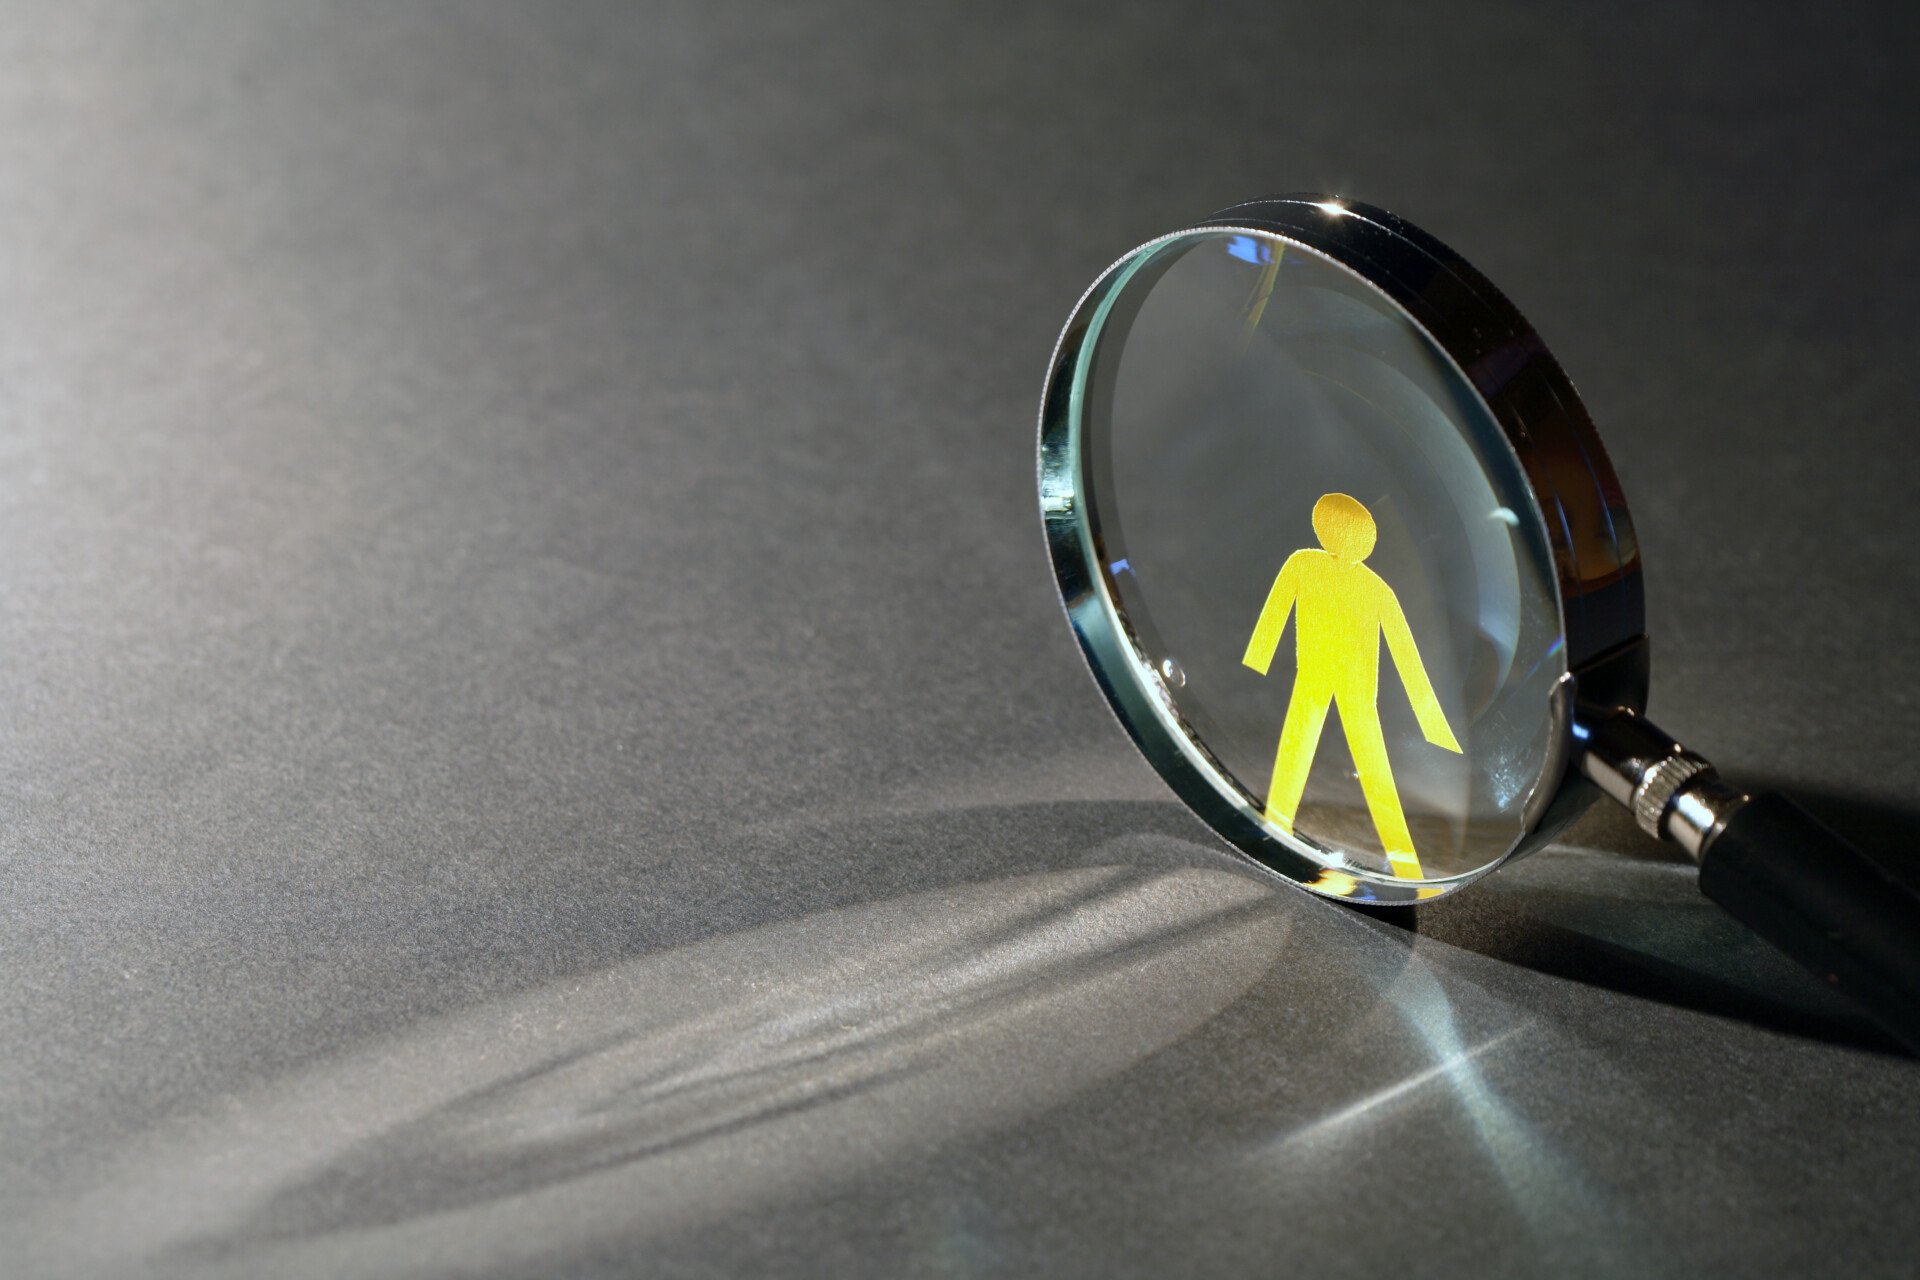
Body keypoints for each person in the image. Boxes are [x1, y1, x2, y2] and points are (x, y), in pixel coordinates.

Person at [1242, 492, 1461, 879]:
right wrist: (1257, 657)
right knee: (1304, 751)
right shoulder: (1309, 566)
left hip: (1353, 687)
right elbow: (1276, 610)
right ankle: (1278, 826)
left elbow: (1405, 653)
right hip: (1316, 677)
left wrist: (1431, 720)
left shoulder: (1368, 586)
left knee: (1365, 761)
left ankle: (1403, 857)